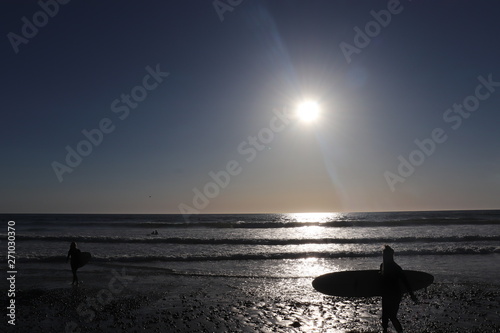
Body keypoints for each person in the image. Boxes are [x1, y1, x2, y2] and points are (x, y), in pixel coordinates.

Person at [379, 245, 418, 333]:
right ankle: (384, 331)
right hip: (386, 294)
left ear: (391, 255)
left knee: (392, 316)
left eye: (387, 255)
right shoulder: (382, 266)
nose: (385, 257)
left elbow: (405, 282)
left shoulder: (396, 268)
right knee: (385, 317)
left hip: (395, 294)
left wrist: (412, 295)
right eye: (384, 255)